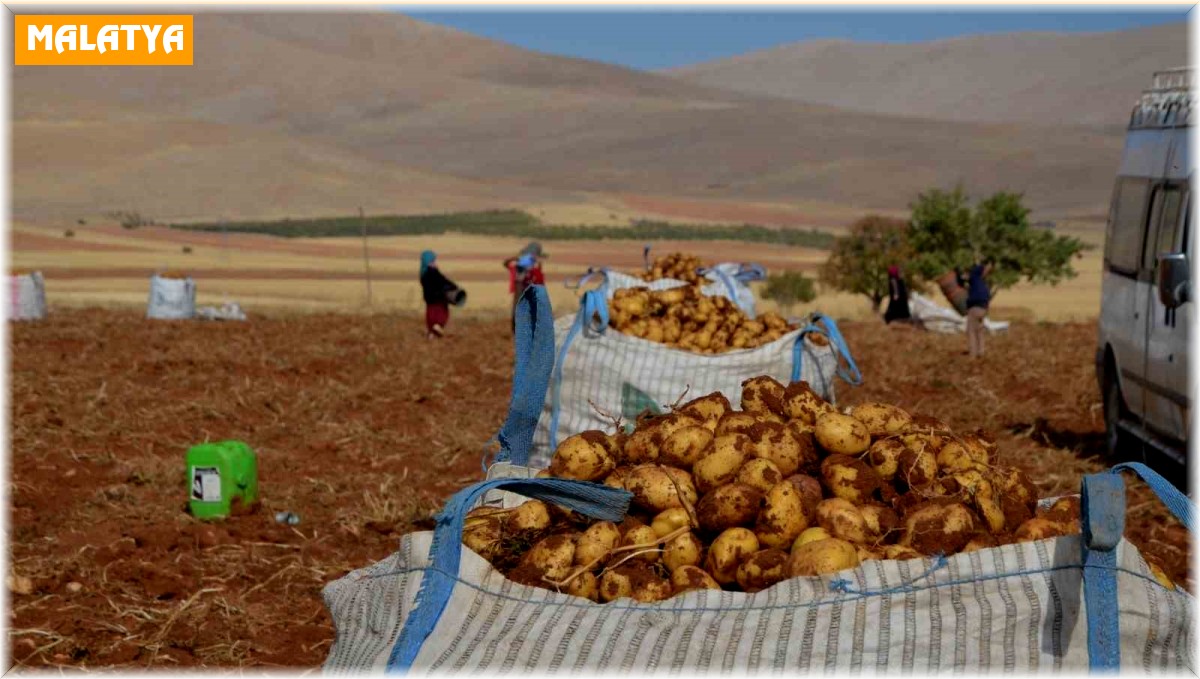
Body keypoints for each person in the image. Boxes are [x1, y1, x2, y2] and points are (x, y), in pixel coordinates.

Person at [503, 242, 547, 332]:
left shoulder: (531, 269)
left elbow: (538, 278)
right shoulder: (518, 268)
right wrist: (514, 258)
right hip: (520, 290)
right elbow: (506, 264)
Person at [419, 250, 459, 339]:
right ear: (428, 262)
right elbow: (442, 280)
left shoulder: (423, 274)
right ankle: (437, 326)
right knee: (442, 313)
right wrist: (452, 286)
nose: (434, 263)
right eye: (432, 261)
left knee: (430, 315)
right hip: (439, 297)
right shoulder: (433, 272)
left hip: (429, 299)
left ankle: (431, 333)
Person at [964, 261, 994, 357]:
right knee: (979, 330)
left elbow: (977, 270)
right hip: (984, 308)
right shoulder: (981, 283)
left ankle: (973, 353)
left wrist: (979, 263)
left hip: (975, 307)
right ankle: (981, 351)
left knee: (971, 330)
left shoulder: (974, 277)